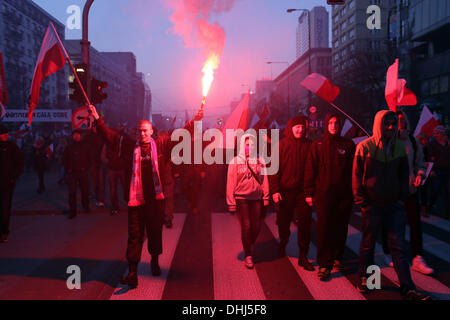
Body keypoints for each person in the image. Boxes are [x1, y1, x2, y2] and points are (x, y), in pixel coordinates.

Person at [89, 104, 203, 288]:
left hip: (155, 201)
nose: (141, 134)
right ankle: (132, 272)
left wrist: (195, 120)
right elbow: (109, 136)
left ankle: (155, 260)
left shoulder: (161, 145)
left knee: (155, 232)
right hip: (136, 201)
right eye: (139, 131)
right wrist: (96, 118)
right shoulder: (127, 146)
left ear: (151, 132)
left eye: (145, 131)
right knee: (134, 236)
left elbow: (181, 135)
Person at [353, 110, 431, 300]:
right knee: (368, 245)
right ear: (379, 124)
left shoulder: (399, 148)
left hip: (394, 206)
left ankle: (408, 287)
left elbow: (404, 176)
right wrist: (362, 202)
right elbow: (356, 177)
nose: (390, 127)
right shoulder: (365, 147)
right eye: (386, 123)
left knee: (398, 246)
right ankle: (367, 279)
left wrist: (401, 198)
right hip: (372, 205)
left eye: (393, 123)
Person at [381, 110, 434, 275]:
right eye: (397, 119)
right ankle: (388, 252)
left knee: (415, 224)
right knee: (390, 223)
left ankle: (417, 257)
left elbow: (420, 163)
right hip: (393, 191)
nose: (400, 122)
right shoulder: (388, 139)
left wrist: (419, 174)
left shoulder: (413, 140)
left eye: (402, 119)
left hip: (410, 190)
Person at [304, 114, 355, 280]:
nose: (333, 126)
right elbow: (310, 169)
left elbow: (354, 171)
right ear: (326, 125)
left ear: (340, 125)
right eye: (331, 123)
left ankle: (338, 256)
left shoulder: (348, 144)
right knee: (324, 228)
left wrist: (355, 191)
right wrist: (309, 192)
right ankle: (325, 264)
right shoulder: (317, 145)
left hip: (344, 195)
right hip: (323, 195)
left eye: (336, 123)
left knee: (341, 227)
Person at [268, 116, 314, 271]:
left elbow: (313, 169)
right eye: (297, 127)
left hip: (303, 192)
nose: (300, 130)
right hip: (285, 192)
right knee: (283, 222)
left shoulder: (309, 145)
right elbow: (273, 169)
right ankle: (283, 242)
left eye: (302, 127)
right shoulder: (281, 145)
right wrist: (275, 191)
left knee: (305, 224)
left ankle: (303, 255)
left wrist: (310, 192)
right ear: (291, 127)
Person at [227, 134, 270, 269]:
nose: (249, 147)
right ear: (242, 146)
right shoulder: (235, 161)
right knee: (246, 226)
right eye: (247, 145)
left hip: (256, 197)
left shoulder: (259, 160)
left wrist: (266, 196)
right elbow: (230, 182)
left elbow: (264, 179)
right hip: (241, 198)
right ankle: (248, 255)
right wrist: (231, 203)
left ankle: (249, 243)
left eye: (252, 145)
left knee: (256, 227)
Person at [0, 125, 24, 243]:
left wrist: (13, 177)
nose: (5, 136)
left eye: (6, 134)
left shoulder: (12, 147)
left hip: (7, 183)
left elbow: (19, 163)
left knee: (5, 208)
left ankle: (4, 231)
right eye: (3, 134)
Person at [62, 130, 93, 219]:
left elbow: (90, 158)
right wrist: (68, 169)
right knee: (72, 192)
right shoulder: (69, 147)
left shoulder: (86, 146)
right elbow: (64, 159)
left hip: (83, 172)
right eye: (74, 135)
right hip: (72, 173)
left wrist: (86, 167)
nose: (76, 136)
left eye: (78, 135)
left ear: (80, 136)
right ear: (72, 136)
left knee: (85, 191)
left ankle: (86, 206)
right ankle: (73, 211)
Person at [101, 127, 130, 216]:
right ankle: (115, 207)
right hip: (112, 169)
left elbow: (127, 154)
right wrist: (109, 163)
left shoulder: (122, 143)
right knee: (113, 190)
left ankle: (130, 205)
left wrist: (123, 162)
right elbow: (103, 156)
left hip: (121, 168)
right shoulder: (107, 144)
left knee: (126, 188)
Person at [427, 125, 449, 217]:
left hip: (447, 170)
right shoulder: (432, 145)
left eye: (439, 133)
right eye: (435, 133)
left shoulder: (448, 144)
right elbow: (430, 158)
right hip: (437, 170)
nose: (436, 135)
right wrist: (431, 170)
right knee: (435, 190)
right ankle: (430, 206)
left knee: (447, 191)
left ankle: (446, 211)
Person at [157, 130, 175, 228]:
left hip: (166, 176)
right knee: (165, 199)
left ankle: (167, 217)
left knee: (168, 198)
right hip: (161, 177)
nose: (162, 139)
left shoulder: (170, 146)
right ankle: (166, 217)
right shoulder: (156, 146)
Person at [87, 127, 106, 208]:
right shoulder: (89, 137)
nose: (95, 128)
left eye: (96, 126)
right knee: (95, 182)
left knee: (101, 182)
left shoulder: (102, 136)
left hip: (101, 162)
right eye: (93, 127)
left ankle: (101, 200)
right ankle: (97, 198)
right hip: (93, 162)